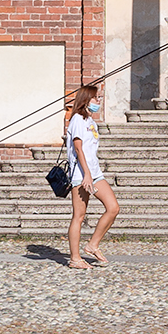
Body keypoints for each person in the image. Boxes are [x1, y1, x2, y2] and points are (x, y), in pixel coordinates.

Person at [65, 83, 119, 269]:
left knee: (113, 208)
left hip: (95, 173)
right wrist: (86, 175)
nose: (98, 101)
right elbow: (78, 149)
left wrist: (93, 173)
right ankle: (75, 258)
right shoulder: (78, 120)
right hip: (81, 175)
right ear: (86, 99)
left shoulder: (90, 122)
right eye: (96, 98)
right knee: (79, 216)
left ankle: (92, 244)